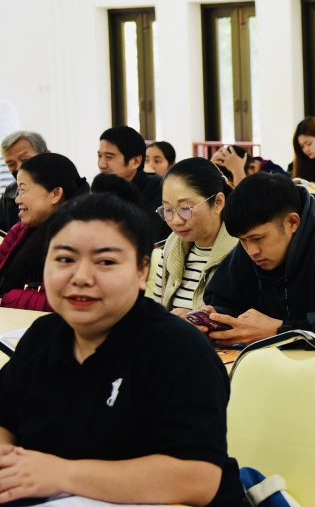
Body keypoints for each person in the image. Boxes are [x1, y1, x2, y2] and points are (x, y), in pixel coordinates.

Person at [0, 193, 246, 505]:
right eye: (64, 259)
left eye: (106, 262)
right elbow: (5, 418)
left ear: (142, 271)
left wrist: (61, 474)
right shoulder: (42, 337)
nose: (81, 277)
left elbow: (197, 478)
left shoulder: (178, 349)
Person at [200, 173, 315, 348]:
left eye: (258, 238)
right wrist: (216, 318)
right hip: (270, 362)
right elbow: (226, 301)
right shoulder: (251, 247)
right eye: (242, 240)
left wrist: (282, 331)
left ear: (292, 222)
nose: (252, 251)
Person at [0, 154, 89, 308]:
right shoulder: (20, 231)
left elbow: (63, 301)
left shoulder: (79, 239)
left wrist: (6, 300)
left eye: (23, 190)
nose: (17, 199)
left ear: (55, 194)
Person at [152, 158, 237, 312]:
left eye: (185, 209)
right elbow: (156, 312)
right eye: (168, 210)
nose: (176, 221)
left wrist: (194, 321)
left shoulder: (243, 252)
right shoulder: (171, 248)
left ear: (217, 202)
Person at [97, 125, 169, 240]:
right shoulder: (103, 188)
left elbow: (145, 238)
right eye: (99, 156)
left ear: (136, 161)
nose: (101, 164)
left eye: (109, 157)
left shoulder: (158, 189)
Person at [1, 130, 47, 233]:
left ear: (46, 154)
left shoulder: (68, 188)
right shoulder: (10, 193)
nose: (19, 168)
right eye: (11, 164)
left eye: (25, 160)